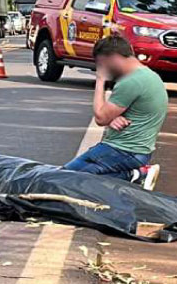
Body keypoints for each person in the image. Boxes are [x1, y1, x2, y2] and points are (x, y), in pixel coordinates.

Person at [63, 36, 168, 191]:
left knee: (65, 178)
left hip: (122, 151)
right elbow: (118, 113)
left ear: (112, 58)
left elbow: (100, 117)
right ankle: (136, 175)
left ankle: (136, 175)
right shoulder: (149, 76)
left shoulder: (131, 82)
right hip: (137, 151)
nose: (101, 68)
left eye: (101, 64)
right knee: (82, 178)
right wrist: (111, 119)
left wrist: (100, 81)